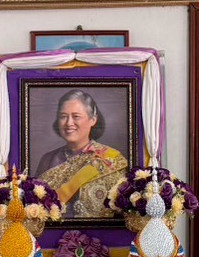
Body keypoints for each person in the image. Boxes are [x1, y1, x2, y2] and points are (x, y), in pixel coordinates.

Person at [32, 88, 129, 218]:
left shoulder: (110, 158)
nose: (69, 123)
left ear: (93, 119)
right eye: (63, 116)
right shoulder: (47, 159)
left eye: (76, 116)